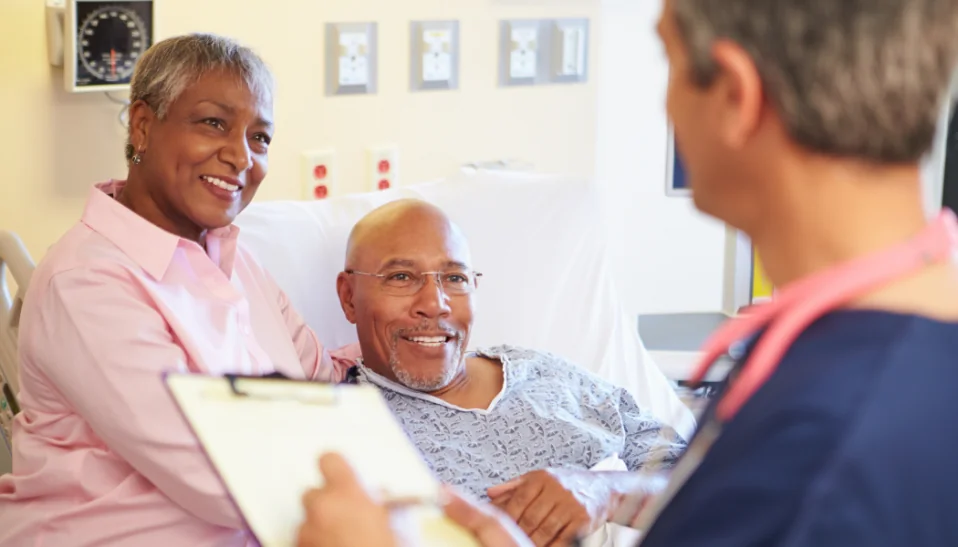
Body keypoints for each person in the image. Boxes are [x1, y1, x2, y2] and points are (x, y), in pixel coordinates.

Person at [297, 0, 958, 545]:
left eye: (667, 62)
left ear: (735, 94)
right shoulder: (882, 367)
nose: (666, 108)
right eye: (401, 277)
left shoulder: (817, 446)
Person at [0, 34, 357, 546]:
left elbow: (324, 378)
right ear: (143, 126)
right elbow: (217, 472)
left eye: (260, 137)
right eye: (213, 123)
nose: (240, 156)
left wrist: (439, 364)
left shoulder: (234, 260)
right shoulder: (87, 282)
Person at [335, 199, 686, 545]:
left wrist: (605, 493)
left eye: (454, 278)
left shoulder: (543, 372)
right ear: (349, 297)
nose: (434, 304)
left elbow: (701, 477)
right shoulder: (352, 430)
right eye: (401, 277)